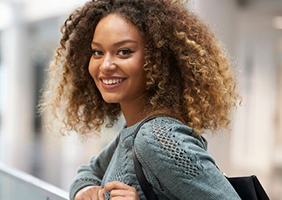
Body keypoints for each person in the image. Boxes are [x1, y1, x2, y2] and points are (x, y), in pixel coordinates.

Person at [41, 0, 241, 199]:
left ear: (158, 58)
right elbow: (89, 171)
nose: (106, 65)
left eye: (124, 51)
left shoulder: (157, 138)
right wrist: (84, 190)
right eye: (98, 52)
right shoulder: (134, 130)